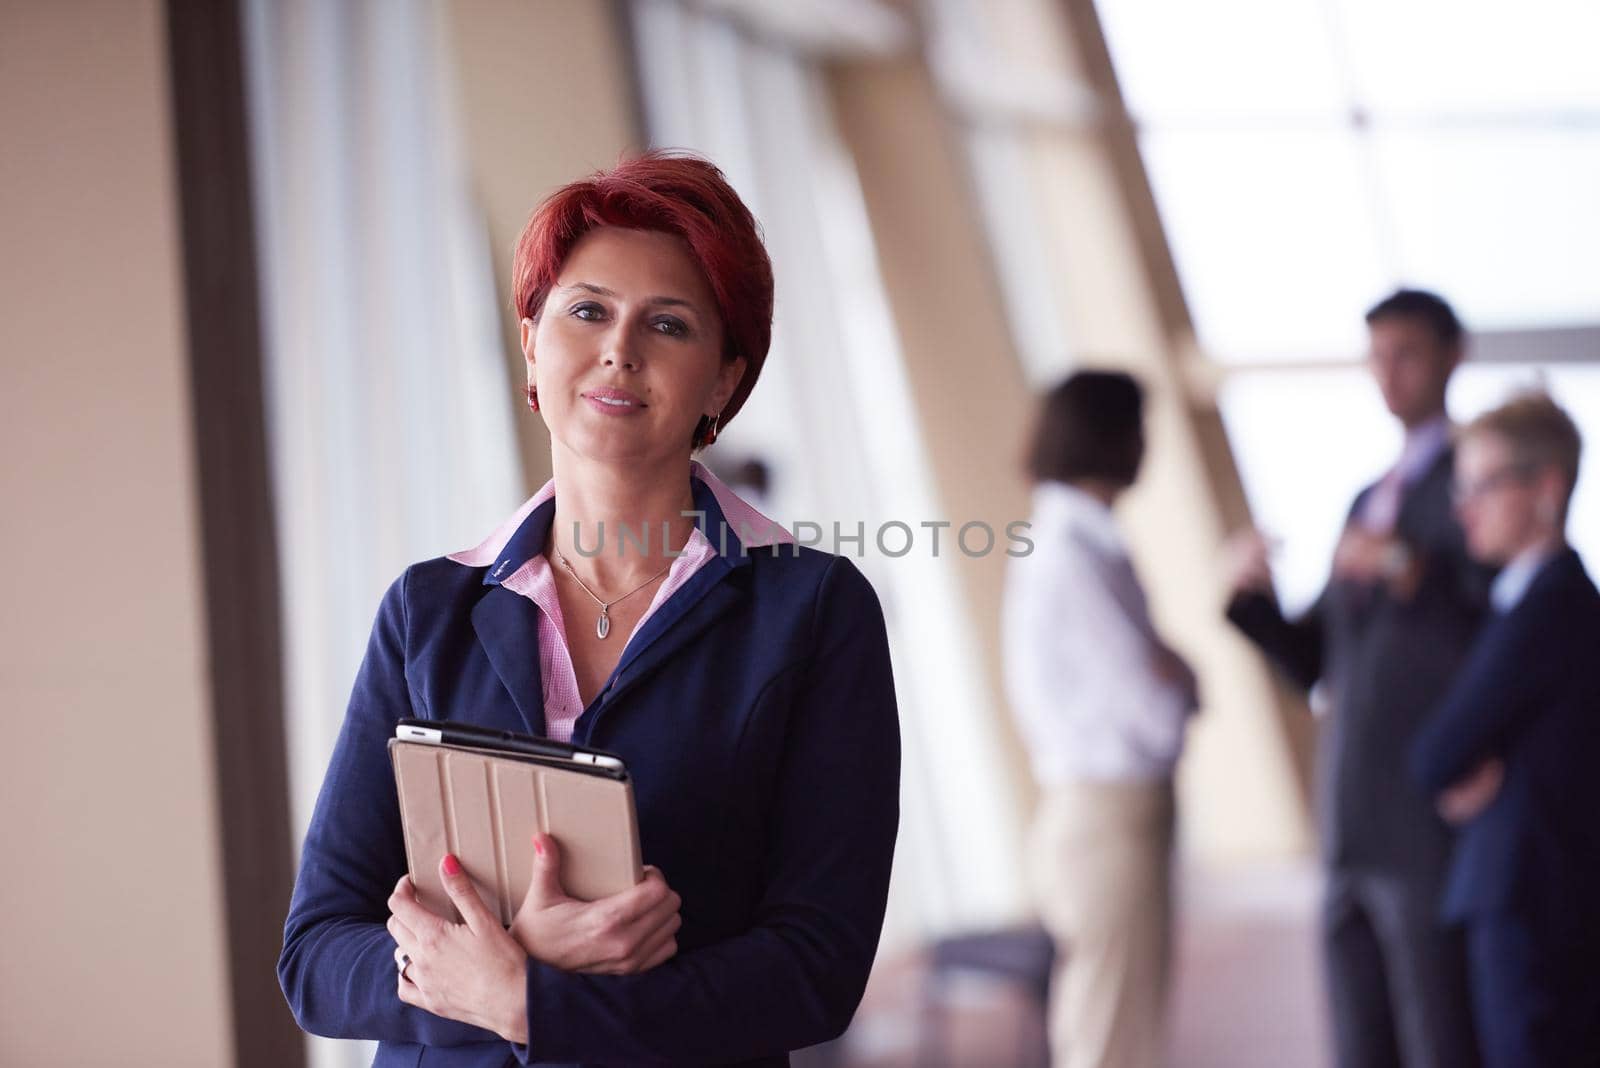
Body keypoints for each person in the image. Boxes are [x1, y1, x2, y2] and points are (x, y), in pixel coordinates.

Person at [277, 152, 902, 1067]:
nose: (620, 348)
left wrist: (532, 1003)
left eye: (670, 324)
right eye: (586, 310)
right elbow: (316, 957)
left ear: (723, 382)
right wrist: (514, 969)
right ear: (531, 341)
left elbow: (817, 968)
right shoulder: (428, 609)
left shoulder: (811, 612)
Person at [1223, 289, 1490, 1068]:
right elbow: (1317, 660)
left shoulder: (1482, 482)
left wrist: (1408, 567)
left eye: (1405, 354)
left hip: (1423, 809)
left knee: (1437, 1029)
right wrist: (1251, 601)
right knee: (1359, 1034)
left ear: (1451, 355)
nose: (1388, 376)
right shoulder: (1366, 500)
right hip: (1347, 809)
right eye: (1376, 357)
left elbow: (1497, 616)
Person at [1003, 371, 1200, 1068]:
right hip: (1108, 817)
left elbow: (1154, 674)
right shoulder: (1074, 551)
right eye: (1139, 427)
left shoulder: (1076, 539)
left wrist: (1171, 673)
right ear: (1108, 436)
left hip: (1100, 813)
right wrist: (1181, 683)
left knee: (1115, 1026)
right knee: (1111, 1038)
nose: (1148, 445)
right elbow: (1152, 701)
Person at [1410, 393, 1600, 1067]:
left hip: (1537, 905)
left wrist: (1481, 765)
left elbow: (1435, 756)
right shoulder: (1518, 601)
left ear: (1547, 488)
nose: (1465, 508)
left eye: (1483, 486)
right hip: (1528, 896)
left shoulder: (1551, 606)